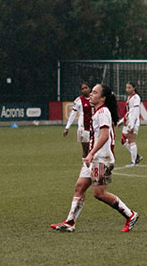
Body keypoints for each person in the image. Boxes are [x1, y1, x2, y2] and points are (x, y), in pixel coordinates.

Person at [50, 83, 140, 233]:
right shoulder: (98, 111)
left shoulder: (103, 112)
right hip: (95, 158)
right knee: (80, 186)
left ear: (103, 98)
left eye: (94, 92)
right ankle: (70, 222)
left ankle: (130, 214)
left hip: (101, 159)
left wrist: (91, 154)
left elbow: (104, 136)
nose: (91, 94)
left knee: (99, 193)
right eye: (91, 92)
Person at [63, 81, 93, 157]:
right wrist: (67, 127)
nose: (84, 90)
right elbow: (73, 114)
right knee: (86, 149)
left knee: (94, 148)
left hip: (94, 126)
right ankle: (86, 167)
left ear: (90, 88)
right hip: (83, 127)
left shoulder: (95, 98)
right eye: (82, 89)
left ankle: (91, 167)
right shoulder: (78, 100)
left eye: (86, 88)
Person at [117, 81, 143, 166]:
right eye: (126, 87)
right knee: (123, 140)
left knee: (131, 140)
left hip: (133, 122)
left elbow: (135, 112)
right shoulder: (130, 97)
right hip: (128, 121)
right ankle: (137, 156)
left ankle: (134, 161)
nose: (127, 89)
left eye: (129, 87)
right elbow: (128, 112)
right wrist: (121, 121)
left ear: (134, 88)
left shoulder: (136, 98)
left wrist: (132, 125)